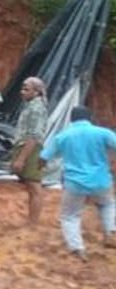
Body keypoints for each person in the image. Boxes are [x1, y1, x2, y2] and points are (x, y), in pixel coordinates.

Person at [40, 106, 116, 260]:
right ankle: (110, 232)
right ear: (90, 118)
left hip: (75, 183)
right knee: (107, 204)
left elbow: (44, 157)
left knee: (70, 215)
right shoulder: (103, 133)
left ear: (71, 119)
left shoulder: (63, 136)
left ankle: (77, 249)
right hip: (101, 180)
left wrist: (38, 170)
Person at [11, 76, 49, 225]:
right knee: (30, 185)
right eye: (22, 88)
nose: (22, 92)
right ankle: (31, 220)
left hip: (31, 149)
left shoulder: (37, 108)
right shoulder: (31, 106)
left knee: (34, 185)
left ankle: (33, 223)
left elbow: (33, 135)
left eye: (26, 89)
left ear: (37, 92)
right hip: (28, 147)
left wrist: (21, 158)